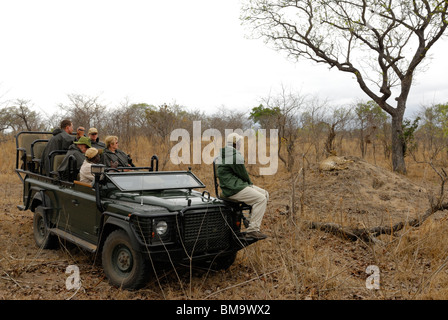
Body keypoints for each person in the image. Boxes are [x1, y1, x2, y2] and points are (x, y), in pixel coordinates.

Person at [217, 133, 269, 240]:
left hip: (230, 186)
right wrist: (249, 184)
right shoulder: (235, 156)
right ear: (236, 144)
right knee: (261, 199)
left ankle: (250, 222)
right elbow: (243, 174)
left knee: (265, 193)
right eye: (240, 142)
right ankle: (253, 230)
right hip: (234, 189)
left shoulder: (223, 154)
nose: (241, 144)